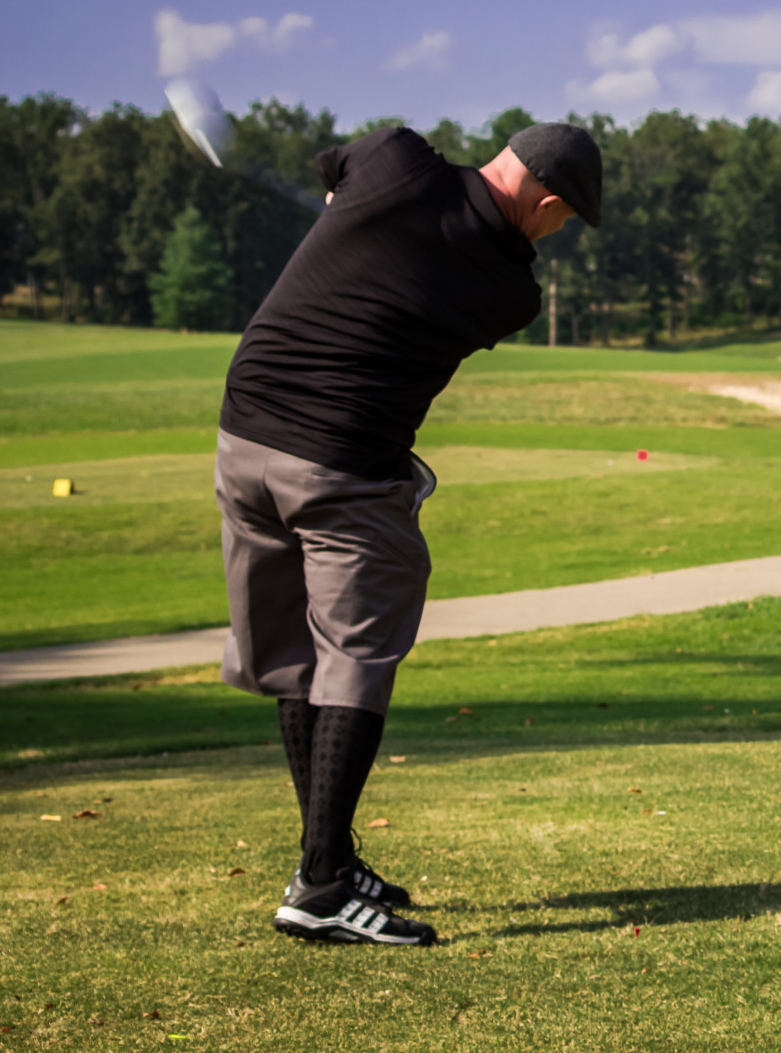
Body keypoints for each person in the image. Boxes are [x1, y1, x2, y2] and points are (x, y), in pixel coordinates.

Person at [212, 121, 602, 946]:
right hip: (343, 467)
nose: (554, 234)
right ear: (550, 200)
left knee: (292, 657)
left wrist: (345, 201)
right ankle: (320, 887)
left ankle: (328, 857)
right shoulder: (510, 291)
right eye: (562, 220)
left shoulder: (396, 157)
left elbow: (336, 170)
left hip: (243, 440)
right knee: (354, 656)